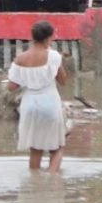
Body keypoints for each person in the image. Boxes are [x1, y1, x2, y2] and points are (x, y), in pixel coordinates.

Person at [6, 21, 67, 172]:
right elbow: (63, 81)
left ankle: (34, 182)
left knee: (35, 149)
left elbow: (11, 87)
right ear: (48, 38)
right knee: (57, 148)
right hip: (50, 103)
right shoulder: (53, 56)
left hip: (29, 105)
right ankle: (51, 180)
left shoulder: (20, 59)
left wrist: (28, 78)